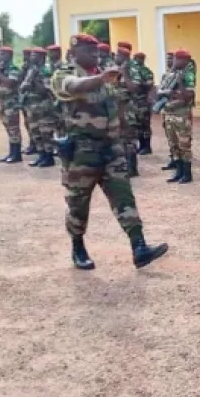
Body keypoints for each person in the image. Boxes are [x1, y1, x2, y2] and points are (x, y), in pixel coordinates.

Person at [51, 33, 168, 270]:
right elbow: (72, 87)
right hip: (82, 152)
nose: (94, 55)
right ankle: (78, 247)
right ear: (74, 53)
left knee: (124, 197)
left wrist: (126, 136)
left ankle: (139, 247)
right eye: (88, 51)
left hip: (111, 149)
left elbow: (116, 105)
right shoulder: (65, 74)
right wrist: (101, 79)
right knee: (78, 203)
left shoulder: (106, 74)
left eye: (95, 51)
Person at [159, 49, 196, 184]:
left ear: (185, 61)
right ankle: (178, 171)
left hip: (181, 114)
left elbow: (188, 97)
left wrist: (180, 83)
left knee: (184, 144)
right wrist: (168, 92)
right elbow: (159, 92)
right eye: (174, 58)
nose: (174, 61)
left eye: (177, 59)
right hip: (168, 113)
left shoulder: (188, 75)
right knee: (173, 144)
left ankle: (187, 174)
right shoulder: (169, 74)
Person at [21, 48, 58, 168]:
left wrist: (34, 80)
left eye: (34, 55)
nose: (31, 57)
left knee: (45, 132)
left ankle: (48, 157)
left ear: (41, 57)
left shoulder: (45, 70)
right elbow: (23, 87)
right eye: (31, 55)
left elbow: (45, 90)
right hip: (31, 106)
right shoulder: (31, 70)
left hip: (44, 107)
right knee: (35, 132)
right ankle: (41, 155)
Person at [113, 47, 142, 177]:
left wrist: (125, 73)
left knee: (129, 138)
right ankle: (123, 165)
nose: (115, 57)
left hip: (129, 109)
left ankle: (132, 168)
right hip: (116, 108)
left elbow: (134, 89)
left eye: (117, 55)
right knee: (119, 139)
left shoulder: (133, 70)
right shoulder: (114, 69)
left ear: (123, 56)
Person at [0, 46, 22, 164]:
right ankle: (11, 152)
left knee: (14, 129)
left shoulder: (13, 68)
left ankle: (17, 154)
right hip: (3, 102)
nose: (0, 55)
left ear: (10, 55)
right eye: (0, 53)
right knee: (8, 128)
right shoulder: (1, 68)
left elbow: (10, 83)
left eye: (3, 53)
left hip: (12, 103)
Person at [132, 52, 155, 155]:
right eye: (136, 58)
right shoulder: (133, 71)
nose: (137, 60)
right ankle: (141, 146)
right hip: (134, 101)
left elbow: (150, 84)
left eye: (139, 58)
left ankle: (147, 146)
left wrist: (140, 83)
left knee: (145, 124)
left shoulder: (146, 71)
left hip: (143, 101)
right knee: (136, 125)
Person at [158, 52, 177, 171]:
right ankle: (173, 158)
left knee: (179, 138)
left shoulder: (180, 75)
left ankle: (179, 160)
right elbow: (160, 91)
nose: (168, 61)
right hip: (166, 109)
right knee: (169, 135)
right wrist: (164, 93)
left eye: (171, 59)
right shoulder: (165, 75)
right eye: (167, 59)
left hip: (177, 110)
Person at [19, 48, 37, 156]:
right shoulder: (26, 67)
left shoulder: (35, 68)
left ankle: (34, 144)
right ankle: (32, 143)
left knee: (33, 123)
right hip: (25, 98)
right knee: (27, 122)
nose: (25, 57)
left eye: (27, 55)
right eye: (24, 55)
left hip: (34, 100)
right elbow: (20, 79)